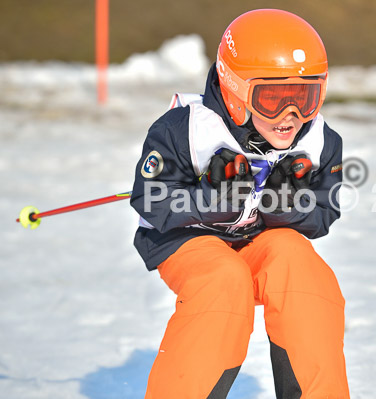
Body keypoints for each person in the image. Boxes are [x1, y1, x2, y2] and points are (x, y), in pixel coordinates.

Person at [130, 9, 349, 399]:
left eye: (306, 98)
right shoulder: (185, 131)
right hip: (190, 240)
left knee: (301, 269)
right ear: (235, 90)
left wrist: (289, 209)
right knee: (223, 281)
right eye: (273, 99)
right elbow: (150, 198)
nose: (291, 117)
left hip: (260, 241)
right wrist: (211, 202)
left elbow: (325, 209)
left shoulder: (320, 142)